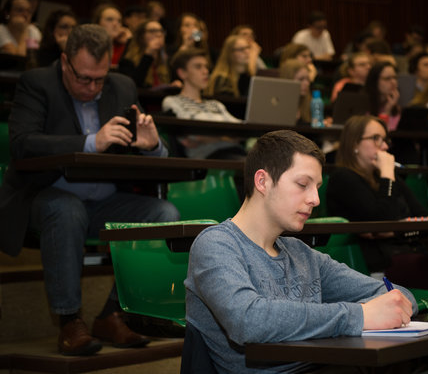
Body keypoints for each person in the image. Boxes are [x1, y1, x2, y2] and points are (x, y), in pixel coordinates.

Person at [0, 24, 179, 356]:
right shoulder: (37, 83)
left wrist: (153, 147)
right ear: (66, 63)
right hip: (44, 195)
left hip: (105, 199)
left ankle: (112, 313)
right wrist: (90, 142)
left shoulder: (122, 86)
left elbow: (147, 143)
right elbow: (23, 144)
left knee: (163, 214)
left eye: (100, 78)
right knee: (66, 209)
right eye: (84, 78)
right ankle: (70, 320)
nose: (93, 87)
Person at [185, 129, 417, 373]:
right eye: (302, 184)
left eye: (317, 187)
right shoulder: (216, 245)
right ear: (262, 181)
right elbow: (248, 320)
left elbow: (398, 295)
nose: (316, 199)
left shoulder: (301, 253)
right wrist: (358, 315)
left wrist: (387, 307)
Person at [326, 115, 428, 296]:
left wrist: (397, 231)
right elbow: (383, 218)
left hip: (411, 254)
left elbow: (427, 222)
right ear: (354, 144)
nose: (384, 146)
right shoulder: (343, 178)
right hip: (381, 264)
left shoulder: (388, 178)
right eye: (376, 139)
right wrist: (387, 175)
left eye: (385, 140)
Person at [162, 48, 245, 159]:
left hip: (236, 153)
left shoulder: (216, 104)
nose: (205, 71)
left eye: (206, 67)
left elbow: (241, 130)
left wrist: (212, 137)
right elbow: (191, 135)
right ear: (182, 73)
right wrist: (227, 136)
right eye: (198, 67)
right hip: (207, 158)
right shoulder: (172, 101)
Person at [118, 19, 173, 88]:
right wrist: (148, 54)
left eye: (161, 31)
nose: (159, 34)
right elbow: (133, 85)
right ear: (141, 36)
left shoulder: (167, 58)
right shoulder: (128, 60)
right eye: (152, 31)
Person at [365, 61, 401, 131]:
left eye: (395, 78)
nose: (393, 82)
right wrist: (386, 112)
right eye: (387, 79)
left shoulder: (398, 108)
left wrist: (389, 108)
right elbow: (378, 134)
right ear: (375, 82)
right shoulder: (364, 106)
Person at [279, 59, 311, 125]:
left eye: (307, 79)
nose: (307, 83)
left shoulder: (309, 102)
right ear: (289, 80)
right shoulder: (278, 104)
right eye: (301, 79)